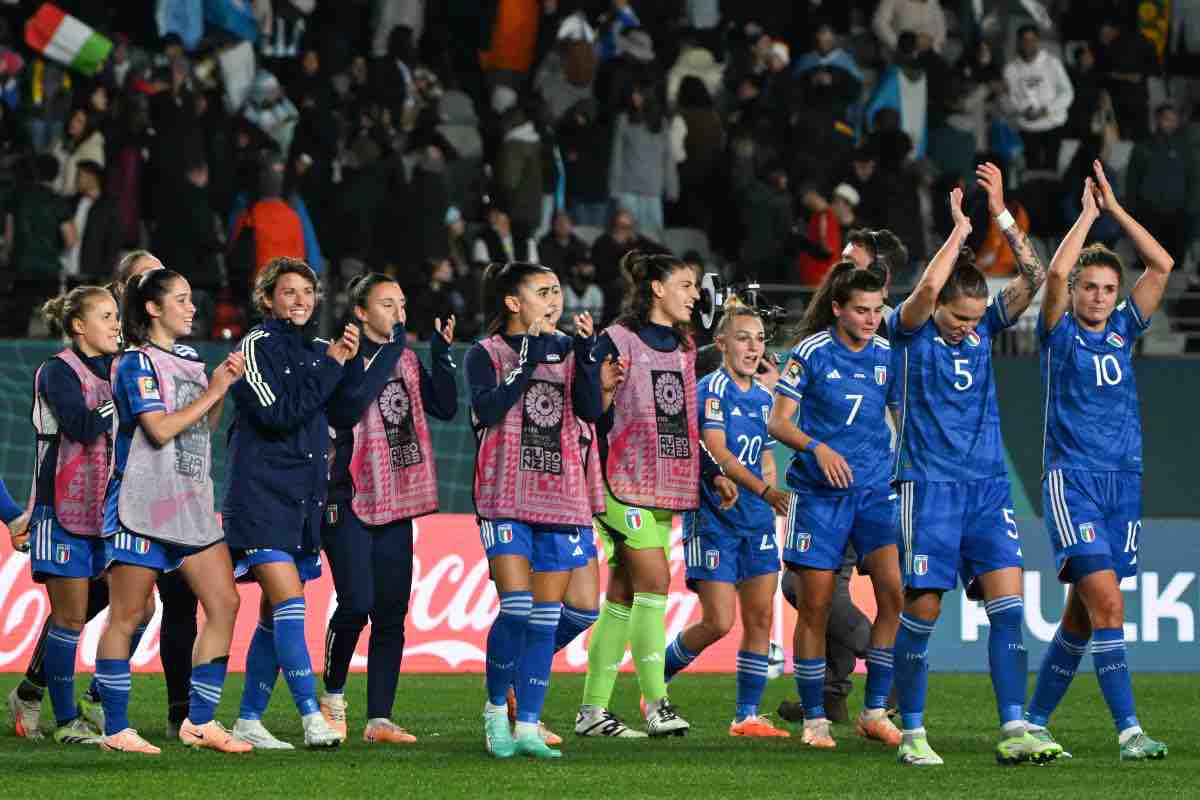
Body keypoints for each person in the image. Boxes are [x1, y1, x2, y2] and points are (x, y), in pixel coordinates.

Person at [889, 169, 1063, 767]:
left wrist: (1000, 216)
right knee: (925, 611)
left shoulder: (985, 324)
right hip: (928, 487)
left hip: (988, 489)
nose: (969, 327)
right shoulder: (909, 334)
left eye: (975, 317)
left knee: (1009, 607)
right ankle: (911, 732)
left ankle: (1014, 728)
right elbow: (918, 298)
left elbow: (1036, 277)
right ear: (939, 304)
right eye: (959, 318)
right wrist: (958, 231)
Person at [1024, 160, 1173, 761]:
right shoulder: (1059, 332)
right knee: (1109, 603)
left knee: (1083, 619)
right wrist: (1087, 218)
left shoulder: (1122, 331)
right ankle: (1130, 731)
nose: (1101, 297)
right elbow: (1056, 274)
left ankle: (1032, 720)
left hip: (1124, 483)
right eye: (1093, 287)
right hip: (1073, 481)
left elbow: (1161, 264)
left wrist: (1116, 212)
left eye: (1110, 289)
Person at [577, 252, 734, 738]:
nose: (694, 295)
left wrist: (711, 472)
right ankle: (657, 703)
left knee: (623, 596)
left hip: (666, 485)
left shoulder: (685, 348)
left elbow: (684, 424)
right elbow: (590, 411)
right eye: (686, 285)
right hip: (620, 481)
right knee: (654, 583)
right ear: (657, 290)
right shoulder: (615, 341)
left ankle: (592, 711)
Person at [94, 268, 249, 755]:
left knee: (225, 603)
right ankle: (116, 729)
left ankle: (199, 722)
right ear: (153, 309)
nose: (191, 307)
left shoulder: (190, 360)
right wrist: (215, 391)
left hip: (189, 503)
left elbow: (202, 425)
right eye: (181, 299)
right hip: (141, 501)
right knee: (128, 613)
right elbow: (159, 430)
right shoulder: (135, 363)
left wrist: (219, 386)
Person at [466, 261, 604, 758]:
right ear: (512, 301)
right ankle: (493, 714)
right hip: (505, 497)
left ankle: (526, 724)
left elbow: (590, 410)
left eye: (557, 291)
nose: (555, 301)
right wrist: (528, 360)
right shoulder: (485, 354)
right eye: (543, 291)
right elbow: (486, 411)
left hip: (561, 497)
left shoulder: (569, 350)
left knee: (547, 617)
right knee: (517, 606)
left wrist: (586, 356)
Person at [223, 257, 358, 750]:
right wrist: (333, 366)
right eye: (289, 292)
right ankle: (310, 715)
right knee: (290, 604)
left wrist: (375, 349)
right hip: (260, 496)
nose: (300, 300)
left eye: (307, 292)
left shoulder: (321, 351)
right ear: (267, 299)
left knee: (271, 616)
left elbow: (345, 409)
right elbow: (277, 413)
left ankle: (249, 719)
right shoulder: (255, 345)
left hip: (303, 499)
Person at [767, 263, 903, 750]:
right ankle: (815, 719)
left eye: (877, 310)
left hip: (872, 494)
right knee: (816, 607)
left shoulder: (888, 354)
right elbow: (778, 422)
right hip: (819, 497)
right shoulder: (811, 353)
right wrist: (816, 448)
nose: (870, 319)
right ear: (839, 309)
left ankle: (873, 710)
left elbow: (898, 413)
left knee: (894, 596)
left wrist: (901, 466)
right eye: (861, 310)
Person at [318, 273, 457, 744]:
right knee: (356, 602)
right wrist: (396, 351)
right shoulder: (340, 355)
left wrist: (441, 352)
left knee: (392, 612)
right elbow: (346, 408)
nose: (398, 313)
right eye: (386, 304)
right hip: (348, 496)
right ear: (360, 312)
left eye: (401, 304)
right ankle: (333, 698)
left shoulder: (410, 359)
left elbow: (445, 406)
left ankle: (380, 718)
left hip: (397, 497)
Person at [11, 287, 135, 746]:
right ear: (80, 326)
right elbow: (82, 427)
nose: (116, 324)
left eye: (116, 316)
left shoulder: (119, 368)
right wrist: (122, 397)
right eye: (106, 316)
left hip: (109, 512)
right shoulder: (57, 372)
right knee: (69, 617)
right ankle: (67, 722)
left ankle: (87, 697)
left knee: (139, 605)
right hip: (59, 510)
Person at [664, 300, 791, 737]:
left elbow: (766, 448)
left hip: (756, 521)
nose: (754, 347)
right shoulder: (711, 390)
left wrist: (769, 471)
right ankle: (655, 683)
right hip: (715, 519)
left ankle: (747, 716)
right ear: (721, 344)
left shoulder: (762, 395)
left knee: (759, 620)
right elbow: (718, 452)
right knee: (718, 621)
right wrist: (766, 490)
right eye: (743, 338)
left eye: (759, 338)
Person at [1003, 25, 1074, 171]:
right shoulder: (1010, 69)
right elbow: (1009, 99)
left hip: (1053, 125)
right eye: (1024, 40)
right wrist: (1023, 109)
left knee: (1051, 170)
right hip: (1027, 128)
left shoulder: (1052, 63)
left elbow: (1068, 93)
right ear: (1019, 42)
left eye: (1032, 40)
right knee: (1031, 169)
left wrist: (1046, 109)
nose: (1028, 44)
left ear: (1037, 41)